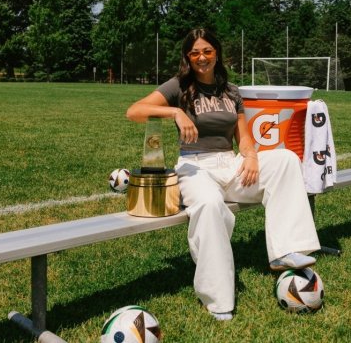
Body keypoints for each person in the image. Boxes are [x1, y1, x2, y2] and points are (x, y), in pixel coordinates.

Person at [126, 28, 321, 321]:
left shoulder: (231, 91)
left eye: (207, 51)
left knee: (285, 159)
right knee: (209, 205)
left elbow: (243, 137)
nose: (201, 57)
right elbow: (135, 110)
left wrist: (252, 155)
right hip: (194, 166)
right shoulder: (179, 86)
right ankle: (218, 299)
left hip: (230, 164)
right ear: (188, 57)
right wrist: (175, 113)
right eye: (194, 53)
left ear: (217, 54)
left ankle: (286, 250)